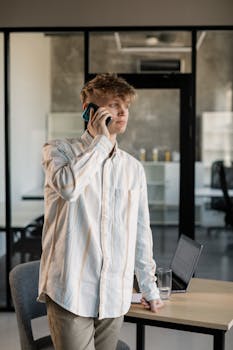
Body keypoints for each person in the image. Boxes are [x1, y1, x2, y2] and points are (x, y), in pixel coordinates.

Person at [38, 73, 164, 350]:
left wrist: (149, 287)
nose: (123, 112)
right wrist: (101, 142)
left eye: (126, 106)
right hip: (71, 291)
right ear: (90, 111)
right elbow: (69, 188)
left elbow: (141, 233)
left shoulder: (132, 169)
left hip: (114, 293)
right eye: (114, 105)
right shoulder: (58, 151)